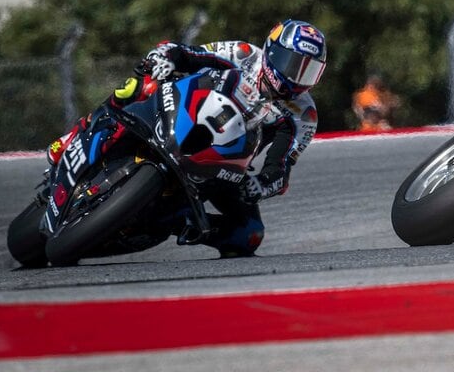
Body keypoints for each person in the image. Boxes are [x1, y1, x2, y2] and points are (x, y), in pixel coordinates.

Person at [47, 19, 327, 257]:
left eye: (309, 70)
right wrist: (165, 59)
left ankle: (178, 222)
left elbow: (280, 168)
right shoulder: (244, 54)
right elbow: (189, 54)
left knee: (249, 235)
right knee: (142, 83)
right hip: (183, 109)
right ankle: (76, 134)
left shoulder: (303, 114)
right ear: (272, 51)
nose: (297, 77)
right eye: (293, 64)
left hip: (227, 164)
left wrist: (261, 186)